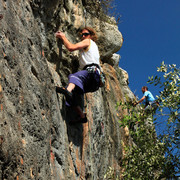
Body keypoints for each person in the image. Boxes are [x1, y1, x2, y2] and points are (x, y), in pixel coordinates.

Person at [55, 27, 101, 124]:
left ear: (91, 36)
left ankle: (67, 90)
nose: (83, 36)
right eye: (82, 35)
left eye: (86, 34)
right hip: (93, 81)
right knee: (73, 96)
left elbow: (71, 47)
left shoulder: (88, 41)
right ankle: (82, 116)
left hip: (91, 72)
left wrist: (63, 37)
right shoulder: (94, 48)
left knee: (74, 77)